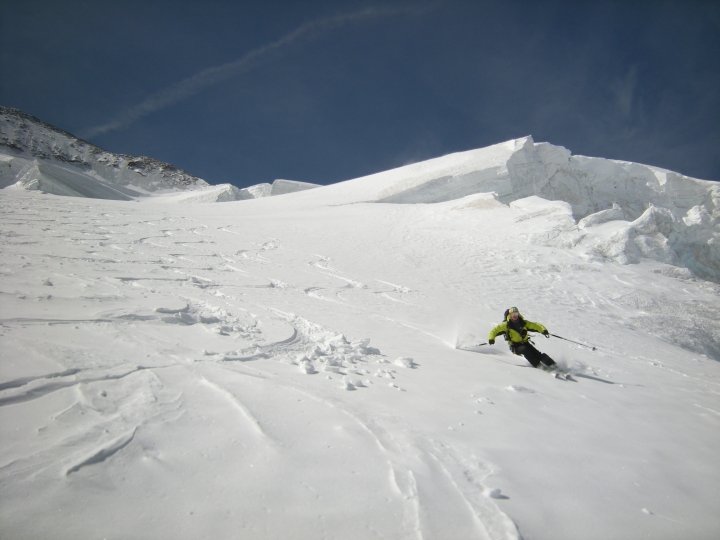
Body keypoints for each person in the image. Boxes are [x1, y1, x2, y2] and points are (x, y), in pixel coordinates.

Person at [488, 307, 557, 368]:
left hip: (525, 343)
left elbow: (535, 325)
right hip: (515, 346)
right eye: (512, 314)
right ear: (510, 316)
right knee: (525, 350)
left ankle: (553, 365)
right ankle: (538, 365)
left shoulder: (524, 323)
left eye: (516, 314)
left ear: (518, 314)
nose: (514, 316)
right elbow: (494, 330)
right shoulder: (506, 325)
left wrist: (543, 330)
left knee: (537, 354)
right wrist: (491, 338)